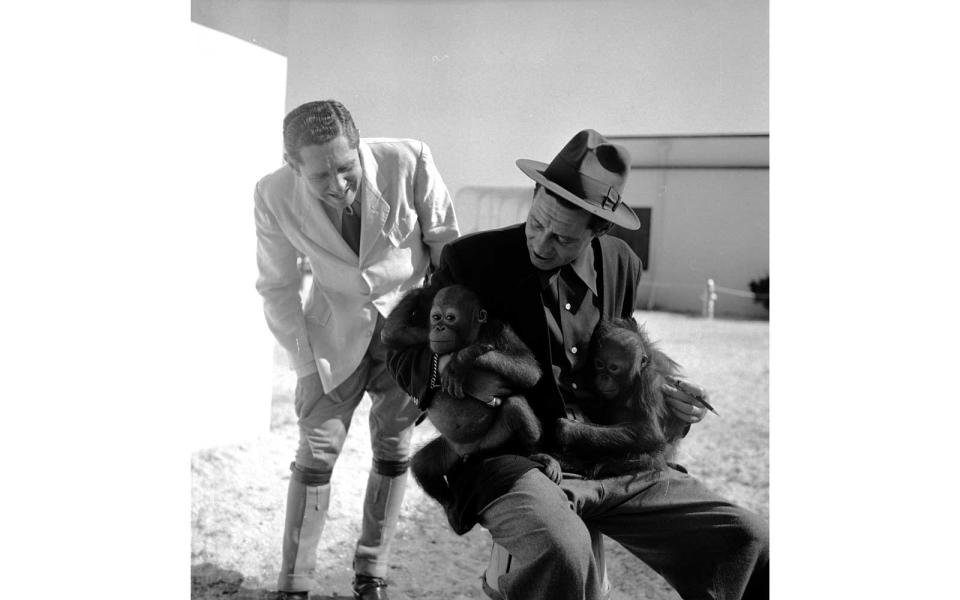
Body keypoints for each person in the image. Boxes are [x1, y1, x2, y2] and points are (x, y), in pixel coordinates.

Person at [387, 130, 768, 600]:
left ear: (598, 231)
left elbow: (625, 350)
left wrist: (658, 387)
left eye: (562, 237)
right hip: (513, 456)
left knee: (748, 539)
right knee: (563, 552)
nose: (542, 243)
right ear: (535, 195)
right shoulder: (472, 261)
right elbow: (402, 350)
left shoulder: (621, 265)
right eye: (536, 223)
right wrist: (452, 382)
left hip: (609, 459)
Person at [254, 100, 459, 600]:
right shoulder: (271, 195)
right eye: (321, 175)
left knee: (394, 449)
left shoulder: (409, 160)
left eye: (347, 168)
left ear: (359, 146)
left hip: (408, 340)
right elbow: (277, 287)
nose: (339, 185)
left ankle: (372, 575)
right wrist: (303, 362)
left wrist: (440, 348)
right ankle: (294, 584)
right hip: (332, 338)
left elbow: (449, 257)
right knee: (316, 451)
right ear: (292, 164)